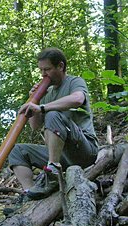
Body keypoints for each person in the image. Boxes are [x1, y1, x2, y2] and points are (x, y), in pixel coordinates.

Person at [7, 47, 98, 208]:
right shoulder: (48, 94)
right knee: (18, 150)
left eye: (47, 69)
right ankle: (30, 193)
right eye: (41, 70)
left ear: (60, 66)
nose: (43, 74)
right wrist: (35, 101)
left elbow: (77, 99)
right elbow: (35, 126)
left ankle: (53, 171)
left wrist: (43, 107)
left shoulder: (74, 82)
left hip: (84, 150)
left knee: (53, 114)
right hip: (61, 154)